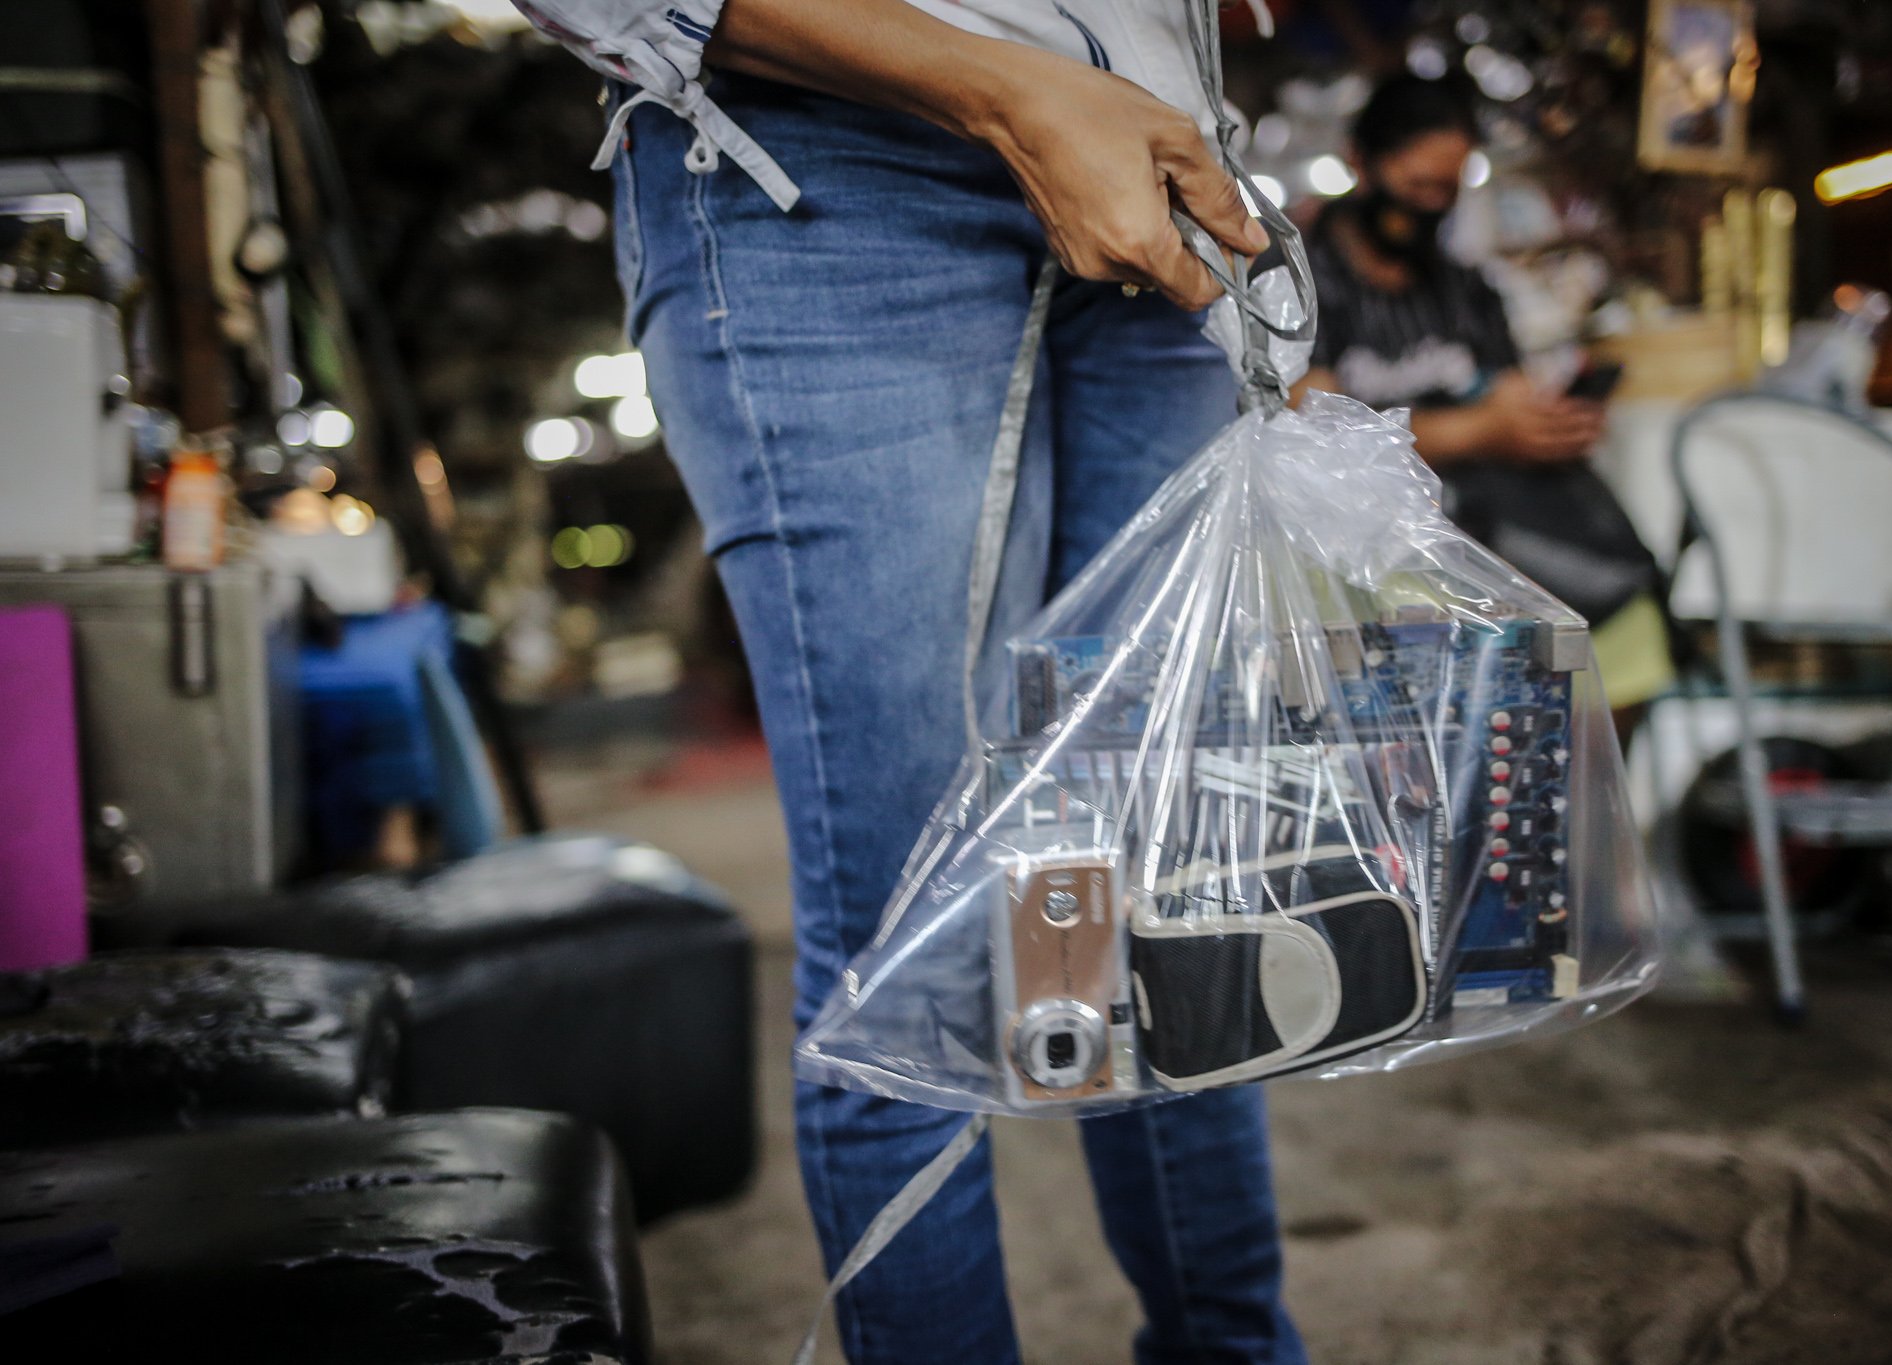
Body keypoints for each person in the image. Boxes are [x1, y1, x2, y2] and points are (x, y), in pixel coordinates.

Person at [512, 2, 1307, 1362]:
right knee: (911, 937)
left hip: (1155, 161)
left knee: (1161, 891)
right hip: (825, 173)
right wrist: (1001, 85)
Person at [1297, 74, 1673, 722]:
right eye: (1417, 186)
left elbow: (1507, 394)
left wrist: (1546, 422)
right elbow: (1315, 428)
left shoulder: (1463, 290)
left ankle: (1570, 807)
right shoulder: (1305, 280)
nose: (1430, 205)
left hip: (1488, 517)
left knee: (1627, 613)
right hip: (1371, 535)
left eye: (1445, 190)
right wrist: (1480, 431)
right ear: (1362, 161)